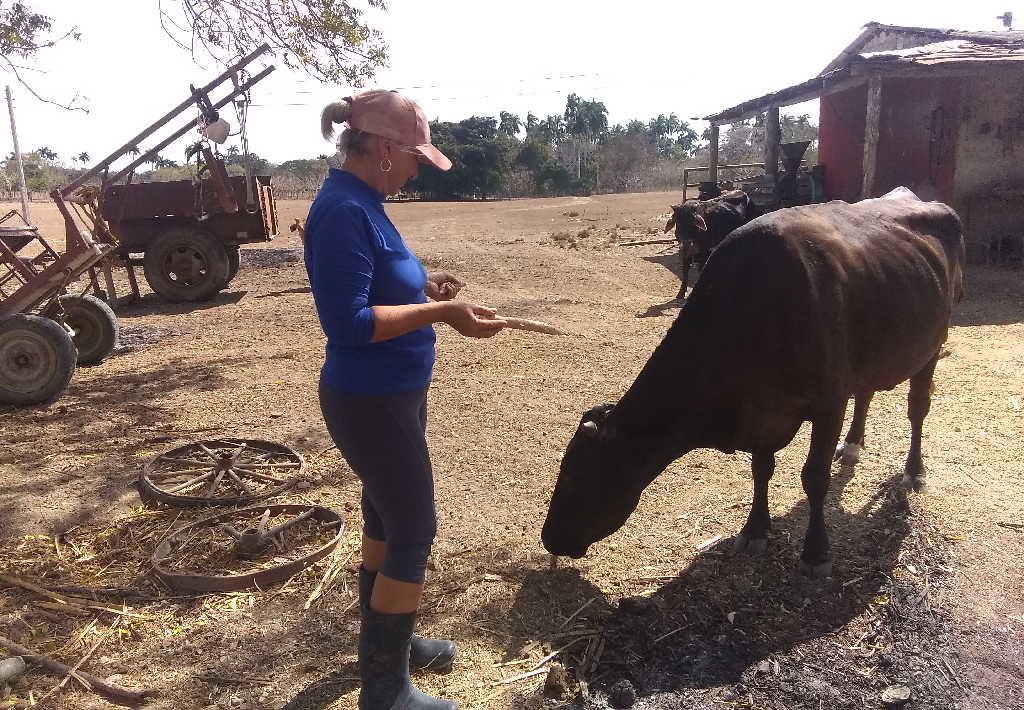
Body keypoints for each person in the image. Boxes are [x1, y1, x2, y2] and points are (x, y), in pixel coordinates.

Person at [305, 89, 505, 710]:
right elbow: (350, 324)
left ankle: (390, 646)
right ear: (386, 149)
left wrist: (426, 284)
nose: (419, 168)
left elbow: (382, 282)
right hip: (370, 401)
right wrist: (443, 312)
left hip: (391, 396)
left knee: (385, 519)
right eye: (416, 157)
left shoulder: (365, 201)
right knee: (414, 528)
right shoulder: (343, 210)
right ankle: (385, 691)